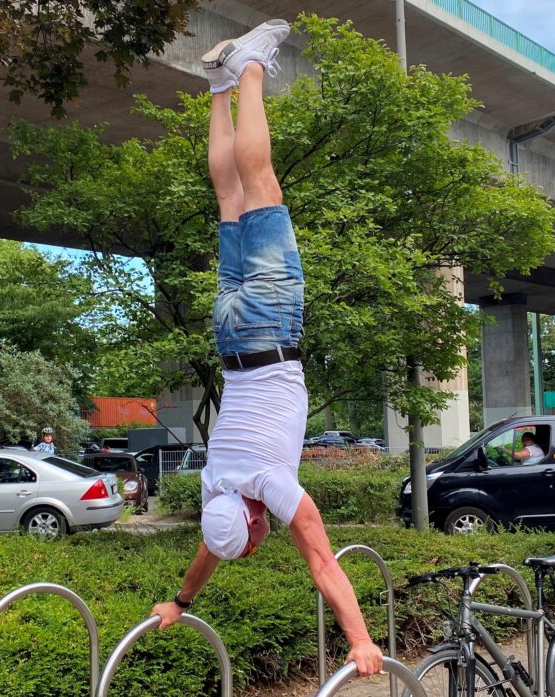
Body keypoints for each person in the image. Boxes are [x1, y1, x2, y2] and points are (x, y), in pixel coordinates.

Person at [149, 20, 384, 677]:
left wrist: (360, 639)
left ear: (252, 521)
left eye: (254, 538)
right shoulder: (215, 485)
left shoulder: (273, 488)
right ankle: (219, 86)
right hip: (228, 335)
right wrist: (178, 600)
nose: (257, 540)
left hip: (272, 330)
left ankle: (249, 67)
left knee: (260, 185)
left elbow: (323, 563)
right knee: (228, 198)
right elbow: (208, 549)